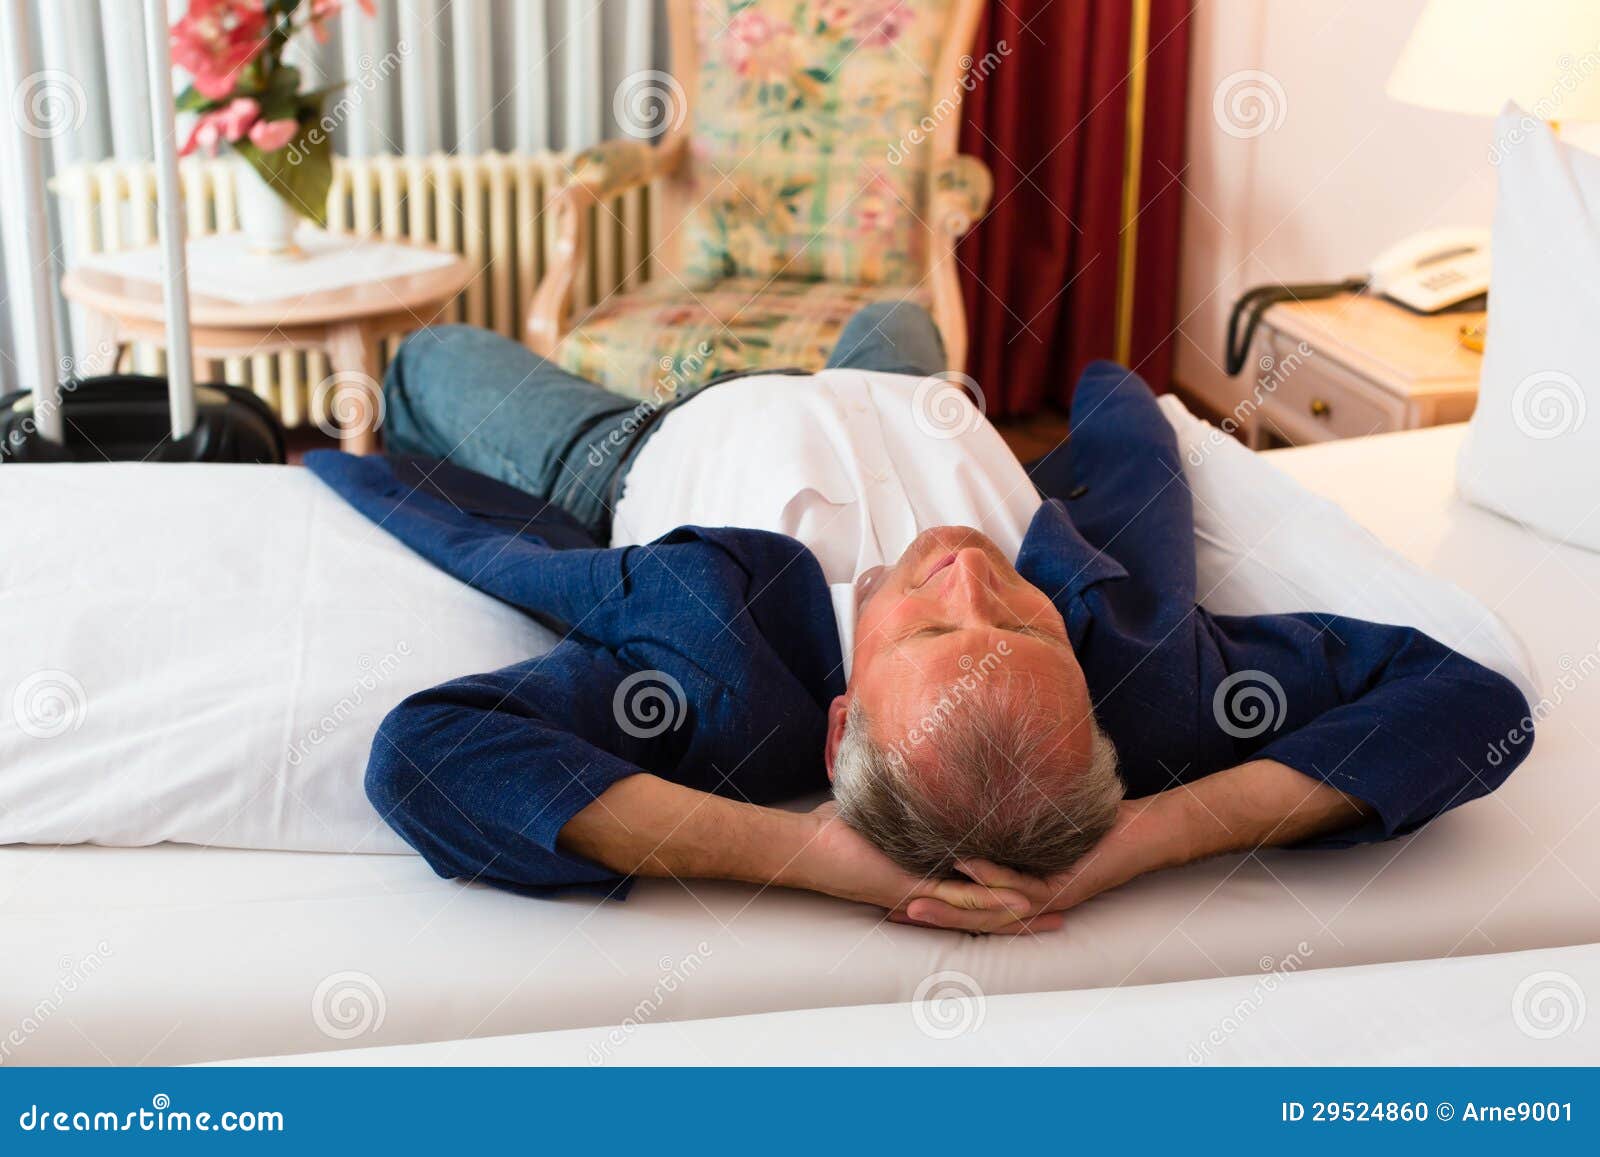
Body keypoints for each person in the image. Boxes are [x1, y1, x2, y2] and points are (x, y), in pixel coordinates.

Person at [307, 302, 1533, 935]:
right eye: (1028, 623)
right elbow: (1474, 704)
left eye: (936, 634)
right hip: (910, 397)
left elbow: (433, 759)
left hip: (641, 445)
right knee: (896, 304)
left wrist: (816, 858)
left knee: (428, 358)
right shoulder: (1148, 679)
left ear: (842, 718)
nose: (962, 571)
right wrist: (1138, 838)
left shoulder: (717, 676)